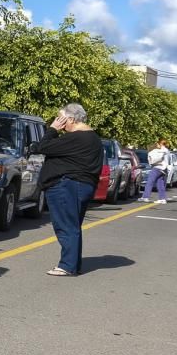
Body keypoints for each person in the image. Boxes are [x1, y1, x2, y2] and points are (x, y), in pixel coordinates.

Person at [31, 103, 103, 276]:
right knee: (72, 225)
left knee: (66, 226)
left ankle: (67, 265)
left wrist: (53, 129)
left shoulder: (77, 137)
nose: (60, 123)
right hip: (81, 186)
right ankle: (73, 264)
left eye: (61, 118)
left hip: (67, 185)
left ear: (71, 119)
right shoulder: (93, 138)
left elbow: (41, 147)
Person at [140, 138, 169, 203]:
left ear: (160, 144)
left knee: (150, 182)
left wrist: (152, 162)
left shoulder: (160, 151)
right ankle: (162, 198)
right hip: (164, 169)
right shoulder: (167, 150)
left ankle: (145, 197)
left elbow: (157, 159)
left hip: (157, 168)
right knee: (160, 183)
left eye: (158, 143)